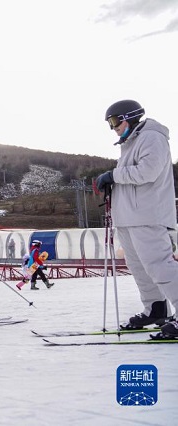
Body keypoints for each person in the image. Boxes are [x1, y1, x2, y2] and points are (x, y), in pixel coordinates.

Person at [96, 100, 178, 336]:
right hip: (129, 218)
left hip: (148, 215)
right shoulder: (130, 144)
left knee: (160, 266)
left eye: (114, 122)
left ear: (129, 117)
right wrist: (113, 183)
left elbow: (148, 172)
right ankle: (156, 308)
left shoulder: (152, 137)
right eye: (109, 124)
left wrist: (113, 175)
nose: (114, 128)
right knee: (140, 268)